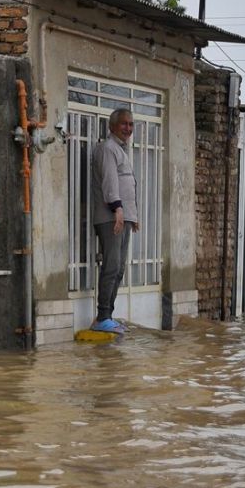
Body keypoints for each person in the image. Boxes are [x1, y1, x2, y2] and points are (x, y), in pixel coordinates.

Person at [90, 108, 139, 334]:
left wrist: (133, 215)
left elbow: (128, 185)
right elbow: (110, 183)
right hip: (112, 217)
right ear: (112, 126)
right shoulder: (107, 149)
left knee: (119, 268)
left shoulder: (122, 150)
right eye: (123, 124)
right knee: (111, 266)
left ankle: (108, 314)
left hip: (124, 217)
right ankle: (102, 317)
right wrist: (117, 209)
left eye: (130, 124)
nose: (128, 128)